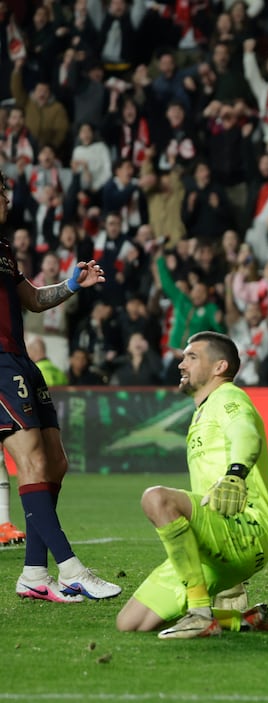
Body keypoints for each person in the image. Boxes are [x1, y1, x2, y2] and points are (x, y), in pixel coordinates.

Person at [115, 332, 268, 639]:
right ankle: (243, 619)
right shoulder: (202, 411)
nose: (181, 364)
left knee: (156, 499)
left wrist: (236, 474)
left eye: (192, 357)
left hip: (244, 528)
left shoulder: (228, 397)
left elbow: (246, 435)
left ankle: (199, 613)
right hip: (211, 545)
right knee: (131, 622)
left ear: (220, 367)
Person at [1, 182, 122, 602]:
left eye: (5, 192)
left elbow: (32, 299)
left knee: (55, 461)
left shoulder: (3, 248)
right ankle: (72, 569)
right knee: (32, 460)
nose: (5, 199)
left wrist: (72, 285)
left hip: (19, 360)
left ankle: (35, 573)